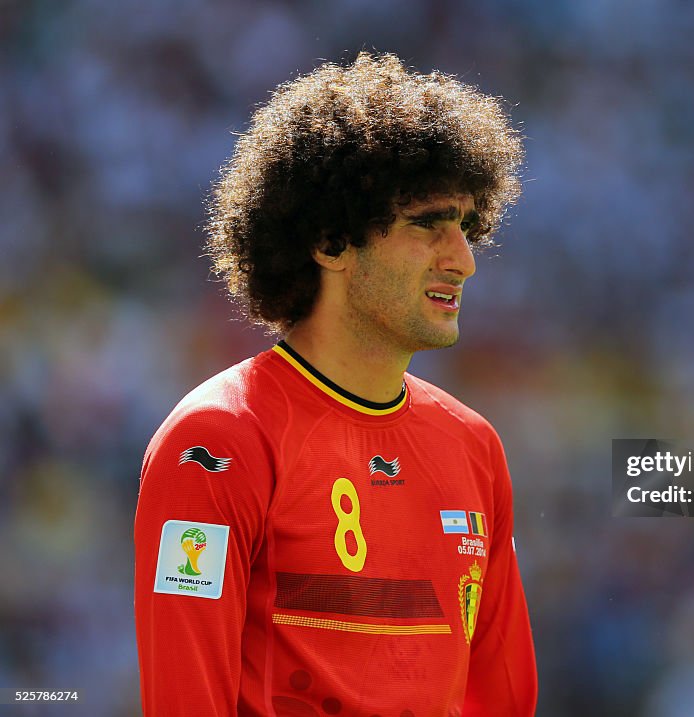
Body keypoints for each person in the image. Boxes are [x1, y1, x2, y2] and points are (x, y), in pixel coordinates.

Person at [134, 53, 537, 717]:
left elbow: (504, 697)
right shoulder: (215, 441)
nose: (462, 258)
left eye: (466, 226)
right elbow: (185, 699)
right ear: (330, 240)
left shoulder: (475, 447)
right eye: (427, 223)